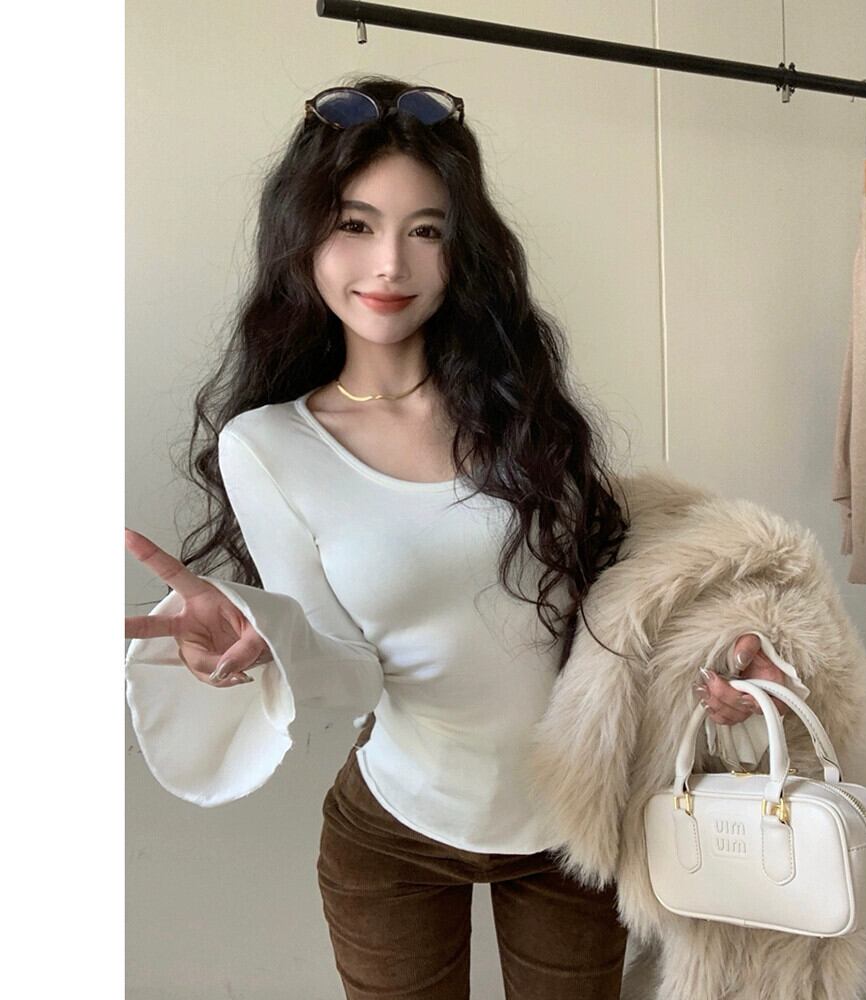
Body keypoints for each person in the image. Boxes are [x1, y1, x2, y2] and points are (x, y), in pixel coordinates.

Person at [124, 73, 790, 1000]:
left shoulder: (522, 407)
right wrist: (268, 638)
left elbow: (604, 614)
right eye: (355, 224)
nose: (389, 265)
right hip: (394, 834)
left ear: (461, 248)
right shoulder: (268, 445)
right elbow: (352, 676)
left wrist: (717, 666)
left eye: (425, 230)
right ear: (303, 238)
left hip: (570, 829)